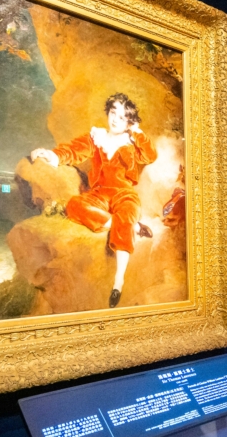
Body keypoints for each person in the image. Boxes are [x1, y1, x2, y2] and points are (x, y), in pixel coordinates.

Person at [30, 92, 156, 308]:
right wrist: (51, 155)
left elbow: (150, 156)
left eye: (122, 117)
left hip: (124, 194)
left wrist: (137, 133)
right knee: (74, 205)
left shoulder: (132, 142)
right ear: (108, 113)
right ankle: (131, 227)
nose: (115, 119)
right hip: (99, 194)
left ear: (129, 121)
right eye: (113, 113)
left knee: (126, 213)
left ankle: (118, 282)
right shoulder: (97, 137)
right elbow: (73, 151)